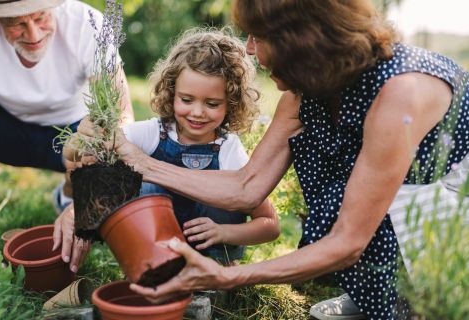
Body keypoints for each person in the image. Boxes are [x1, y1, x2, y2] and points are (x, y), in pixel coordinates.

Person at [72, 1, 469, 319]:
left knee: (400, 246)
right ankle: (377, 299)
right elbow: (247, 187)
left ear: (302, 41)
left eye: (258, 37)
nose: (247, 49)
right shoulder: (305, 91)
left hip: (449, 206)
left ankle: (412, 301)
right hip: (391, 192)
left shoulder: (400, 93)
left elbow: (348, 241)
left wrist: (228, 275)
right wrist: (135, 162)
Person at [0, 0, 134, 274]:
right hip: (8, 134)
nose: (33, 35)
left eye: (41, 17)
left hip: (74, 136)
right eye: (17, 23)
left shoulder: (85, 23)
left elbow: (123, 118)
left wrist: (86, 201)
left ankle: (70, 192)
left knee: (102, 130)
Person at [119, 29, 280, 263]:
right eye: (186, 100)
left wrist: (224, 232)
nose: (197, 112)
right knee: (145, 188)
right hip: (158, 256)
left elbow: (270, 224)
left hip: (212, 259)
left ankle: (219, 275)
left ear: (231, 103)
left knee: (226, 191)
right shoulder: (153, 133)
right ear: (172, 93)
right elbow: (101, 145)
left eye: (212, 103)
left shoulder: (228, 149)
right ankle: (151, 264)